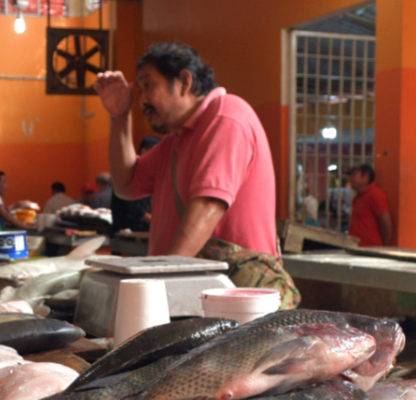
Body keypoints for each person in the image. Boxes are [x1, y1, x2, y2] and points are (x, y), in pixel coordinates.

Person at [95, 42, 298, 307]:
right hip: (200, 292)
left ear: (184, 81)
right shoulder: (177, 139)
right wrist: (119, 117)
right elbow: (126, 184)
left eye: (148, 85)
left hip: (237, 298)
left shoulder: (227, 116)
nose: (142, 100)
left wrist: (158, 285)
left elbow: (208, 205)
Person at [110, 136, 159, 235]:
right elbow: (137, 211)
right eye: (158, 155)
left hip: (142, 233)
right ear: (144, 152)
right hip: (127, 235)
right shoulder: (130, 171)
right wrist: (160, 223)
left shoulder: (148, 173)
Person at [346, 165, 392, 247]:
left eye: (354, 174)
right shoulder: (357, 198)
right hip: (357, 247)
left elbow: (386, 225)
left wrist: (382, 248)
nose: (351, 178)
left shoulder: (375, 194)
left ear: (366, 176)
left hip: (370, 248)